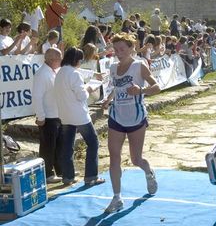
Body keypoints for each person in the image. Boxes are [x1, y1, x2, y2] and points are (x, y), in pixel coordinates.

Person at [102, 33, 161, 213]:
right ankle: (117, 197)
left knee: (136, 159)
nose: (119, 53)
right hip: (116, 117)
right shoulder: (113, 67)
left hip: (136, 117)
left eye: (122, 49)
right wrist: (108, 99)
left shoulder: (139, 65)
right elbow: (116, 86)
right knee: (114, 157)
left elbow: (157, 87)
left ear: (131, 48)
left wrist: (140, 90)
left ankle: (148, 172)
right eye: (116, 49)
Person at [54, 47, 105, 186]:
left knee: (67, 146)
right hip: (79, 114)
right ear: (77, 60)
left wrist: (93, 75)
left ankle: (67, 177)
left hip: (65, 114)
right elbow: (82, 96)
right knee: (93, 142)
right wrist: (89, 87)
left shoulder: (60, 72)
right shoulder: (74, 74)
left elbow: (78, 72)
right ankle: (91, 176)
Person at [32, 48, 63, 183]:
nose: (61, 61)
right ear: (51, 59)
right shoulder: (42, 74)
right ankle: (47, 174)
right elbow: (37, 97)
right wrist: (41, 117)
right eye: (59, 59)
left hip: (57, 114)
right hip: (48, 117)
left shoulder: (53, 71)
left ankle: (61, 170)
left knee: (58, 145)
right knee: (47, 147)